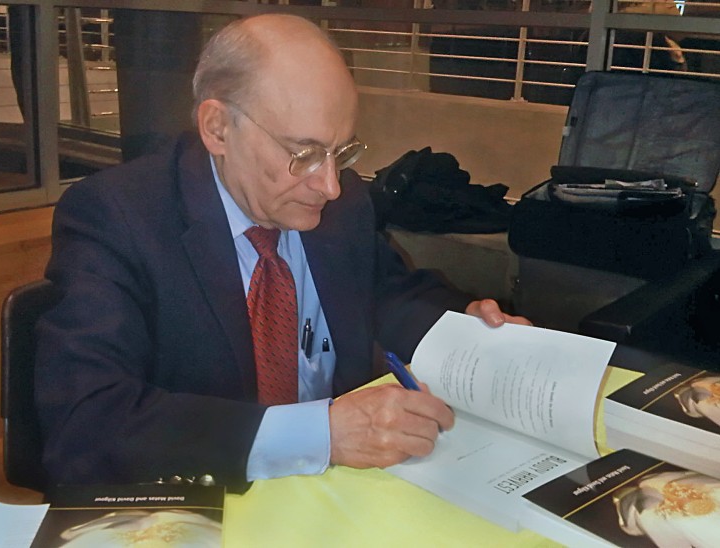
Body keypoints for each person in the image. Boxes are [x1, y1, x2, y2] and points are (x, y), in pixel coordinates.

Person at [35, 14, 529, 491]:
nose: (331, 185)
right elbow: (86, 425)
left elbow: (386, 292)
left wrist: (466, 326)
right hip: (212, 503)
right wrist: (320, 436)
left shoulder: (343, 204)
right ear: (218, 128)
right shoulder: (117, 216)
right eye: (305, 154)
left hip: (346, 494)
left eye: (342, 152)